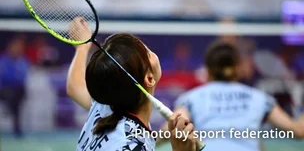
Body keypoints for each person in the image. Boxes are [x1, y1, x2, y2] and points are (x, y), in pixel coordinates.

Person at [66, 18, 198, 151]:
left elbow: (75, 87)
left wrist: (82, 47)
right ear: (150, 78)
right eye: (147, 52)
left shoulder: (107, 106)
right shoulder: (130, 146)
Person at [157, 40, 304, 151]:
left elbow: (168, 130)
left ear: (207, 70)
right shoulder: (259, 98)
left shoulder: (192, 98)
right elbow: (298, 130)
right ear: (238, 68)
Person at [0, 35, 30, 138]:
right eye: (15, 46)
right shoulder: (3, 60)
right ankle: (9, 107)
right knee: (11, 95)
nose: (17, 49)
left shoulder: (23, 61)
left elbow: (22, 78)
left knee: (17, 97)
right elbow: (4, 77)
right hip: (4, 89)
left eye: (19, 46)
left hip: (18, 90)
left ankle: (16, 128)